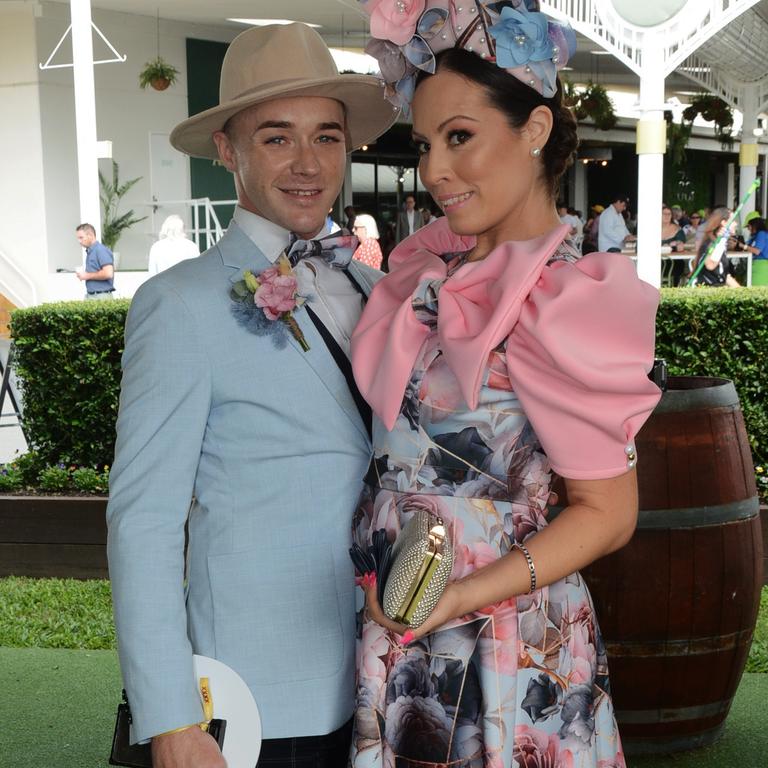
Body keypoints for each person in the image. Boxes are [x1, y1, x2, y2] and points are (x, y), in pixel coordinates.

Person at [351, 3, 662, 768]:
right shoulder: (422, 275)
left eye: (460, 137)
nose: (433, 170)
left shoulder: (568, 300)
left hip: (506, 638)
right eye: (425, 144)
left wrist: (464, 593)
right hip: (400, 627)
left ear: (536, 129)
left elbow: (609, 513)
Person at [106, 22, 397, 768]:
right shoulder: (180, 305)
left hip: (378, 681)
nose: (308, 164)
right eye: (277, 138)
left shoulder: (377, 291)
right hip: (249, 698)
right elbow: (143, 522)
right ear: (228, 151)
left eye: (326, 137)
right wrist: (171, 716)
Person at [692, 206, 740, 287]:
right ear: (724, 223)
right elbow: (710, 265)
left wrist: (742, 291)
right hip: (707, 292)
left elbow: (725, 276)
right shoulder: (712, 243)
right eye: (733, 220)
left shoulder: (719, 243)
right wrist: (721, 242)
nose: (736, 223)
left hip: (717, 289)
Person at [75, 223, 115, 298]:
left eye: (81, 237)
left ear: (90, 235)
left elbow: (108, 273)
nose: (79, 241)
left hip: (101, 296)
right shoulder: (91, 251)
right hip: (92, 295)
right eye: (78, 238)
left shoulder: (100, 250)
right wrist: (83, 275)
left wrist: (87, 275)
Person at [660, 204, 687, 286]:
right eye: (664, 214)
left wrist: (678, 244)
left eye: (669, 214)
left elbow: (681, 247)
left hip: (673, 261)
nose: (667, 216)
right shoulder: (651, 228)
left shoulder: (677, 229)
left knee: (676, 267)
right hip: (655, 261)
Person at [745, 216, 768, 286]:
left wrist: (743, 246)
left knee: (758, 288)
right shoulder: (754, 236)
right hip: (754, 264)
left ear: (754, 225)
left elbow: (757, 251)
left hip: (762, 265)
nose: (748, 229)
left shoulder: (762, 234)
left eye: (748, 226)